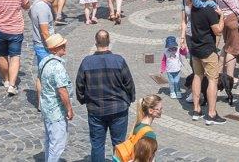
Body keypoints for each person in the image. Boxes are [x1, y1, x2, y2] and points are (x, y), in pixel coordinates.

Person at [75, 29, 137, 162]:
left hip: (96, 110)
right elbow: (129, 83)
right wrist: (131, 98)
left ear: (96, 42)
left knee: (97, 145)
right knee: (119, 144)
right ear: (109, 42)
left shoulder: (87, 62)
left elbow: (79, 86)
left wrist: (84, 100)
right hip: (118, 108)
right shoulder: (119, 60)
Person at [187, 0, 224, 124]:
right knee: (212, 80)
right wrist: (222, 17)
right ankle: (211, 113)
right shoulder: (209, 10)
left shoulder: (194, 7)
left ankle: (196, 109)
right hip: (207, 49)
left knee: (197, 76)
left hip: (195, 48)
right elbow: (218, 31)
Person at [38, 33, 74, 162]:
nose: (64, 46)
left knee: (50, 141)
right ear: (54, 49)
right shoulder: (57, 67)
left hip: (47, 107)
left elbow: (39, 81)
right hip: (56, 111)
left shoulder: (44, 61)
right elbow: (62, 91)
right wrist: (69, 109)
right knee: (57, 144)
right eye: (61, 45)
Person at [115, 95, 162, 162]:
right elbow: (148, 158)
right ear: (151, 111)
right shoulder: (149, 134)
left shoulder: (138, 124)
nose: (161, 111)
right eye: (159, 109)